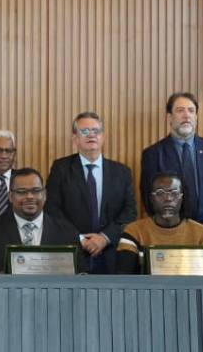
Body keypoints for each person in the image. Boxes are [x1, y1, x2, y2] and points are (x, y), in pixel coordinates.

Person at [139, 92, 203, 252]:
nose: (186, 115)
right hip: (169, 240)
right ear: (169, 117)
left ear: (196, 117)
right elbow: (150, 201)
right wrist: (179, 231)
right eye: (180, 110)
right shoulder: (153, 154)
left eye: (191, 110)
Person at [46, 112, 137, 273]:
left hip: (111, 253)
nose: (91, 135)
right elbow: (53, 210)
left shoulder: (121, 172)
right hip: (75, 250)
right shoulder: (61, 169)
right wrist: (80, 239)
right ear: (75, 139)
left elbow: (130, 211)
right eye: (84, 131)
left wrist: (104, 237)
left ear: (102, 137)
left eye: (96, 131)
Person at [0, 168, 82, 274]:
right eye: (21, 191)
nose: (30, 196)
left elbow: (82, 276)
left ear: (45, 195)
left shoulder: (67, 232)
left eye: (36, 191)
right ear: (10, 197)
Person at [117, 172, 203, 274]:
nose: (168, 199)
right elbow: (124, 281)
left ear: (182, 198)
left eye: (174, 193)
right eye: (160, 193)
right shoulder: (133, 232)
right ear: (151, 198)